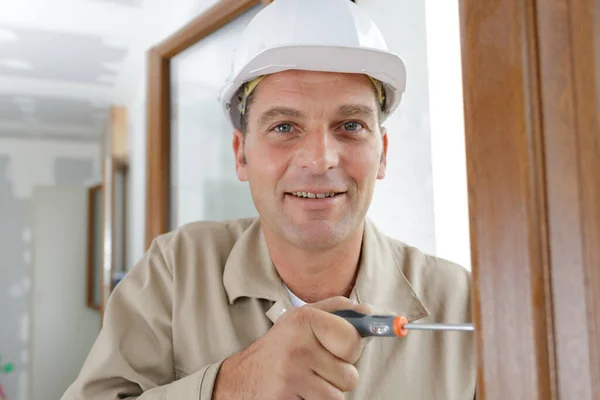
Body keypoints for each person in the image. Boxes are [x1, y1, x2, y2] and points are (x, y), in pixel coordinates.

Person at [62, 0, 475, 398]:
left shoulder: (460, 300)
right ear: (241, 154)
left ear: (382, 153)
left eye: (350, 125)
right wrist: (232, 387)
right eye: (284, 127)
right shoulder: (176, 272)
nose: (319, 160)